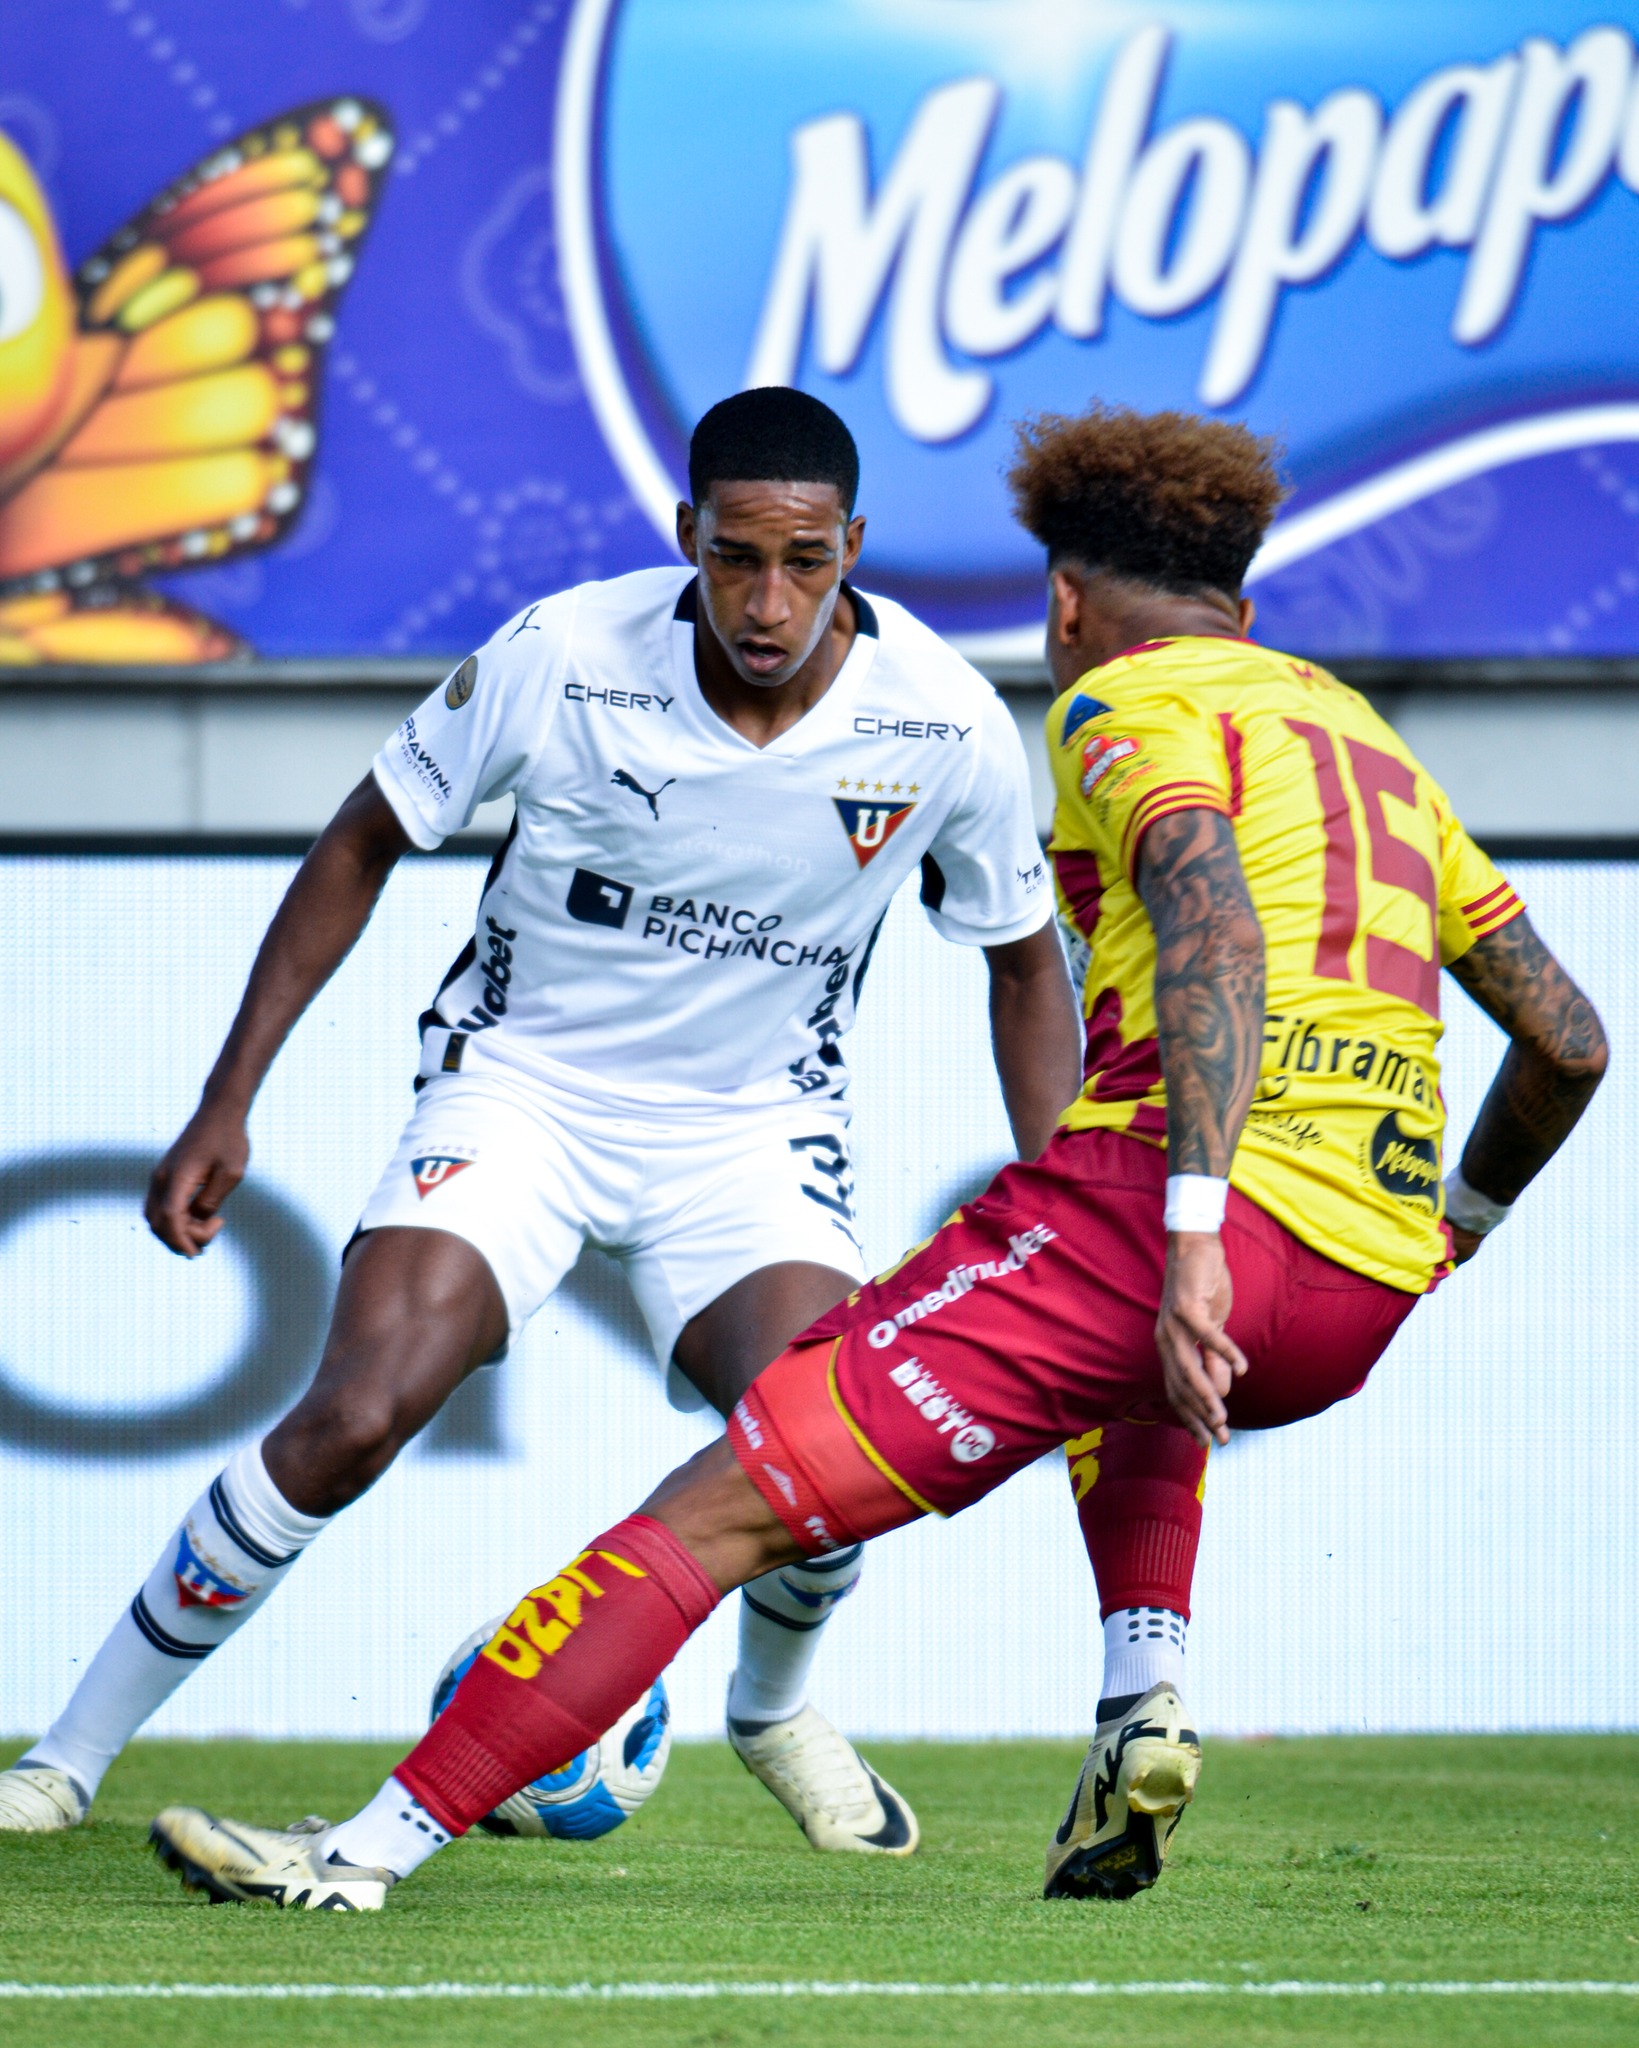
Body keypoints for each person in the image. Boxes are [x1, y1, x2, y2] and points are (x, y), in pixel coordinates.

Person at [146, 402, 1608, 1910]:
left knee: (713, 1511)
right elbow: (1568, 1038)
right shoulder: (1369, 743)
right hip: (1365, 1281)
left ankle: (361, 1857)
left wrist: (1185, 1235)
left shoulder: (1120, 705)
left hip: (1169, 1224)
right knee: (1126, 1377)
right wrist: (1462, 1225)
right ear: (1243, 605)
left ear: (1061, 603)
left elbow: (1211, 929)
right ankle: (1141, 1689)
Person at [0, 388, 1084, 1856]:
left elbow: (1025, 967)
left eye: (807, 563)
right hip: (522, 1089)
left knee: (824, 1455)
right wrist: (226, 1097)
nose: (768, 602)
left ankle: (771, 1710)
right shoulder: (566, 653)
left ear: (855, 549)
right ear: (683, 534)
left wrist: (1072, 1198)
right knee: (355, 1414)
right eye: (736, 558)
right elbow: (365, 838)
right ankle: (64, 1760)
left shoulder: (945, 720)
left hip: (752, 1133)